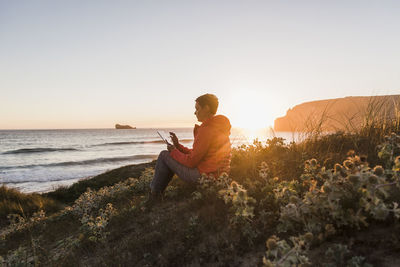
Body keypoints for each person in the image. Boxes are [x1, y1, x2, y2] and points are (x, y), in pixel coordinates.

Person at [149, 93, 232, 198]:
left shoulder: (206, 130)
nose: (195, 112)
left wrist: (174, 151)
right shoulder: (218, 127)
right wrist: (178, 146)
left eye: (197, 109)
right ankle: (158, 193)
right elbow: (198, 154)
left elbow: (191, 162)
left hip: (203, 177)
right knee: (169, 155)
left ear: (206, 108)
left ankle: (154, 195)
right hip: (218, 176)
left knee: (164, 155)